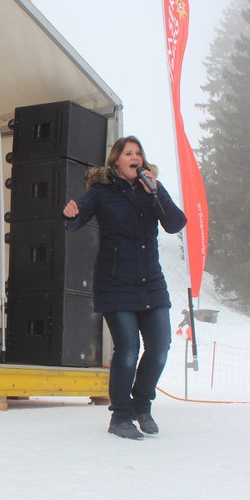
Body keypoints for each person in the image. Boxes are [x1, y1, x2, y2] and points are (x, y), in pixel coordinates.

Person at [62, 136, 186, 440]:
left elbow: (175, 223)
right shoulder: (102, 192)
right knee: (128, 349)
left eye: (138, 153)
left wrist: (155, 193)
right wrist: (71, 214)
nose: (135, 157)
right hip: (115, 282)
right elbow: (78, 217)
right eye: (128, 153)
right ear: (116, 160)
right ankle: (121, 415)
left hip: (151, 282)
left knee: (159, 347)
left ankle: (142, 406)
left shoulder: (152, 189)